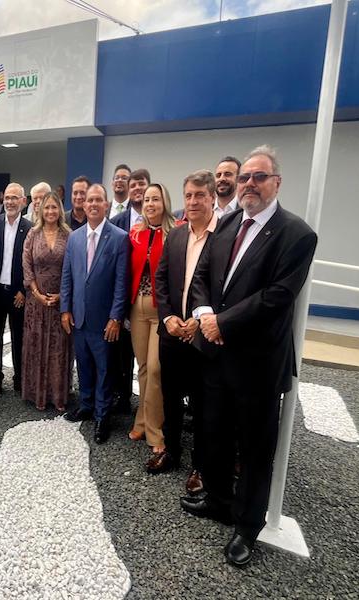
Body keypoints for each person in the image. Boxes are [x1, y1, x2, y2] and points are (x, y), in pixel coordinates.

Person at [185, 145, 317, 567]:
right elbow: (202, 276)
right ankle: (219, 501)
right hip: (216, 357)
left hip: (257, 363)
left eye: (259, 177)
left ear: (277, 182)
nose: (249, 184)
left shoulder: (296, 234)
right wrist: (205, 315)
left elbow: (277, 296)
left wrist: (222, 323)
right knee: (216, 434)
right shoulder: (226, 224)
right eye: (245, 177)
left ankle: (247, 526)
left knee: (256, 449)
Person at [151, 171, 216, 489]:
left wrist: (200, 321)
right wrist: (167, 318)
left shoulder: (225, 237)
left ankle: (201, 466)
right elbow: (161, 279)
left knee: (203, 404)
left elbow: (225, 288)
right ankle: (172, 451)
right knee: (171, 397)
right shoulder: (176, 235)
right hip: (172, 332)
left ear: (212, 197)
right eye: (188, 195)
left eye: (199, 195)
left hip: (204, 337)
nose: (192, 201)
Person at [61, 183, 129, 444]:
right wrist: (65, 309)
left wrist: (116, 317)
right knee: (84, 365)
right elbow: (67, 276)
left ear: (106, 204)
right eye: (89, 200)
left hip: (104, 321)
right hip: (78, 317)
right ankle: (87, 404)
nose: (92, 204)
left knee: (105, 369)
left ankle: (102, 415)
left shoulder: (119, 238)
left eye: (98, 200)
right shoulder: (74, 237)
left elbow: (121, 283)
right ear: (83, 203)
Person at [127, 183, 175, 462]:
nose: (150, 204)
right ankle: (142, 421)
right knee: (143, 367)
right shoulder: (136, 233)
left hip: (162, 311)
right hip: (138, 308)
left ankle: (156, 431)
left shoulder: (176, 232)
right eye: (146, 200)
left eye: (155, 199)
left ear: (165, 202)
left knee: (156, 370)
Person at [22, 192, 73, 411]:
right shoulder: (33, 234)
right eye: (47, 207)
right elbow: (26, 265)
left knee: (58, 349)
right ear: (41, 210)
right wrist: (36, 293)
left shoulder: (69, 235)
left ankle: (58, 395)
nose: (50, 211)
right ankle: (37, 395)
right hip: (36, 303)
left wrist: (63, 295)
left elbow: (74, 268)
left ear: (60, 210)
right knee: (36, 346)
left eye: (54, 207)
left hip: (61, 303)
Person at [109, 167, 150, 414]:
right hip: (122, 298)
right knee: (122, 354)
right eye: (133, 185)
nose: (137, 188)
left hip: (149, 300)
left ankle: (148, 405)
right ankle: (122, 398)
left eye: (141, 184)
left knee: (147, 359)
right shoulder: (117, 222)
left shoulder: (159, 220)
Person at [0, 183, 31, 398]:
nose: (10, 202)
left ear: (23, 201)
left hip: (17, 294)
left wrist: (24, 289)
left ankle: (19, 379)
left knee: (19, 337)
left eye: (15, 198)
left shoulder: (30, 228)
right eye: (7, 198)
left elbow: (32, 264)